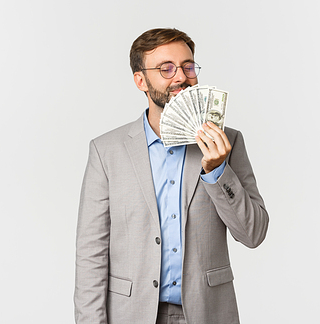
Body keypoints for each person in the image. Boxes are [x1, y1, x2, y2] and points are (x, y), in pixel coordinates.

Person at [74, 28, 269, 324]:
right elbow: (91, 254)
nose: (180, 77)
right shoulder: (106, 151)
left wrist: (218, 171)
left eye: (188, 66)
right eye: (166, 68)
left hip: (207, 312)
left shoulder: (228, 142)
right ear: (141, 80)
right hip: (131, 314)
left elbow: (253, 233)